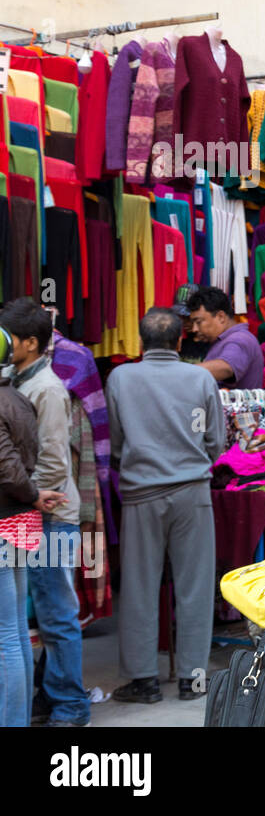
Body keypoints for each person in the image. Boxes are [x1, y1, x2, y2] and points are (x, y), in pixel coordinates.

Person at [107, 307, 226, 704]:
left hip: (142, 493)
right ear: (180, 340)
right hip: (192, 492)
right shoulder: (199, 378)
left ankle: (144, 680)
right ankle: (194, 677)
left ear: (141, 342)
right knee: (195, 585)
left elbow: (118, 441)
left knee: (140, 587)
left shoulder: (121, 378)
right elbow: (216, 442)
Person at [0, 299, 89, 727]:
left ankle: (71, 707)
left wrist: (32, 494)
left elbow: (55, 460)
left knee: (56, 615)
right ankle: (49, 697)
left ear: (30, 343)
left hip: (50, 515)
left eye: (8, 337)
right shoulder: (20, 380)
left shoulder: (47, 389)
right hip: (35, 509)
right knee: (33, 619)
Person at [0, 326, 64, 727]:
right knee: (16, 633)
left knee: (7, 636)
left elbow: (6, 467)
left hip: (6, 517)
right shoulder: (17, 397)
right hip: (20, 519)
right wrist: (34, 495)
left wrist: (31, 492)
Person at [185, 286, 264, 390]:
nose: (194, 329)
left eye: (199, 322)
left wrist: (180, 373)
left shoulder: (239, 339)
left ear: (220, 317)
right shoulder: (224, 340)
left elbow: (226, 367)